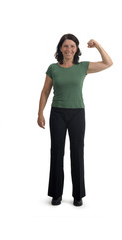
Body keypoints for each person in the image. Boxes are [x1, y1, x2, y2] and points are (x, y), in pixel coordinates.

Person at [37, 34, 112, 207]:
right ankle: (56, 194)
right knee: (57, 152)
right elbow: (45, 92)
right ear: (60, 48)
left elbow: (108, 63)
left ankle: (78, 194)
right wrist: (40, 113)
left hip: (77, 113)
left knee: (77, 152)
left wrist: (98, 45)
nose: (69, 49)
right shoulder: (53, 68)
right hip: (57, 114)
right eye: (65, 46)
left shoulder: (83, 67)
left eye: (72, 46)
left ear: (77, 49)